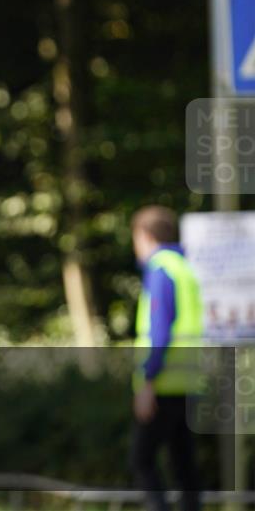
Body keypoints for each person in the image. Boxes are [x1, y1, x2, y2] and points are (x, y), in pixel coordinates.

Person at [130, 206, 204, 511]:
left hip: (164, 383)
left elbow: (160, 332)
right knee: (184, 464)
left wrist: (148, 381)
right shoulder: (185, 268)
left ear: (145, 236)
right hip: (189, 381)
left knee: (140, 460)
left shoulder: (160, 269)